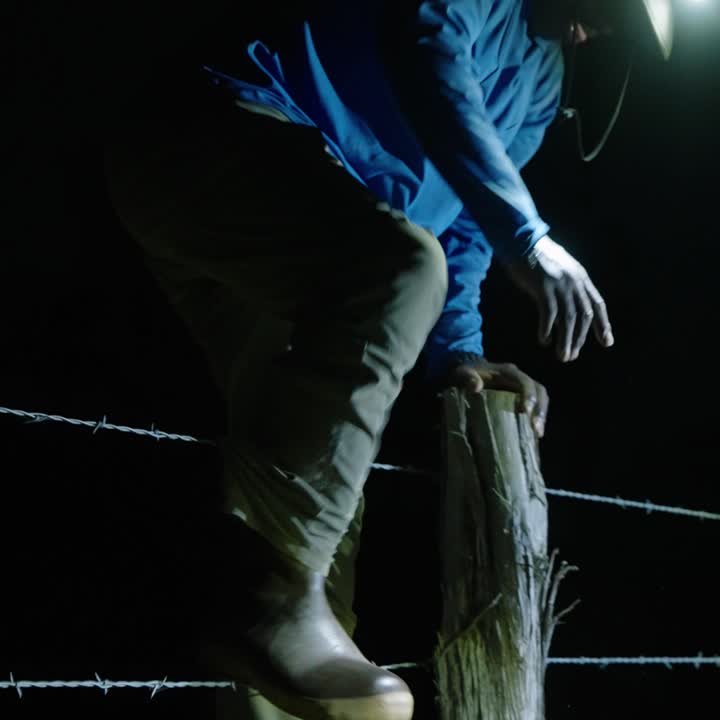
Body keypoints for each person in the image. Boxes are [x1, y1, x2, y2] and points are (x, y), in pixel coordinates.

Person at [101, 2, 673, 719]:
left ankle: (284, 665)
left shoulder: (543, 84)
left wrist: (462, 352)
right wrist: (529, 237)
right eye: (614, 13)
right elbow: (430, 59)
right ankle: (276, 608)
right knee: (401, 269)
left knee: (310, 472)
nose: (605, 33)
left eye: (622, 34)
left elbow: (464, 224)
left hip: (306, 247)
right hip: (212, 136)